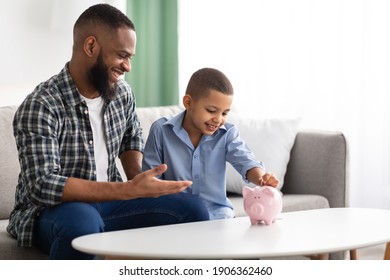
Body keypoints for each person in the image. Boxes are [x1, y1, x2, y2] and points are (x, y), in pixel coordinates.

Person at [7, 4, 209, 260]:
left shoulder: (122, 94)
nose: (127, 67)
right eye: (122, 56)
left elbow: (131, 138)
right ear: (91, 47)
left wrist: (141, 182)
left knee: (194, 209)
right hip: (52, 212)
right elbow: (42, 185)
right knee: (82, 226)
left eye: (130, 58)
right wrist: (127, 191)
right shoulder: (41, 105)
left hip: (110, 204)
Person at [142, 68, 279, 220]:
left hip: (218, 214)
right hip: (175, 213)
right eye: (211, 110)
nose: (218, 119)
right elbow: (150, 182)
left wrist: (261, 178)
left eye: (225, 113)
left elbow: (246, 161)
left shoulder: (227, 134)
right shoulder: (161, 130)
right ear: (188, 102)